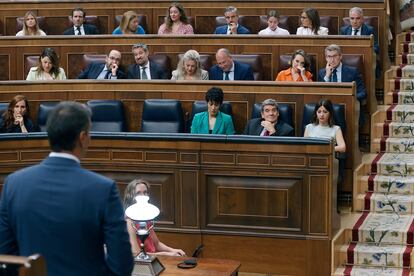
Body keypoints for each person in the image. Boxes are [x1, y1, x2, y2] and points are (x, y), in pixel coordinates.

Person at [0, 101, 134, 276]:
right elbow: (121, 264)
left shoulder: (14, 184)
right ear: (83, 137)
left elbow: (5, 255)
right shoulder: (103, 189)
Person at [124, 179, 186, 257]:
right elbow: (136, 253)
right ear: (131, 196)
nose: (143, 196)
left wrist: (173, 250)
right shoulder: (129, 221)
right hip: (141, 264)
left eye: (145, 192)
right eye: (138, 193)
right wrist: (166, 254)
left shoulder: (145, 217)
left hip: (153, 258)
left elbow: (157, 244)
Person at [340, 7, 380, 78]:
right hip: (347, 59)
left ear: (362, 19)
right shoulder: (344, 30)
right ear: (349, 19)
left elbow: (376, 47)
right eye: (352, 18)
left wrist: (367, 51)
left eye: (357, 18)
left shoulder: (369, 30)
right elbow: (339, 47)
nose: (354, 21)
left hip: (365, 59)